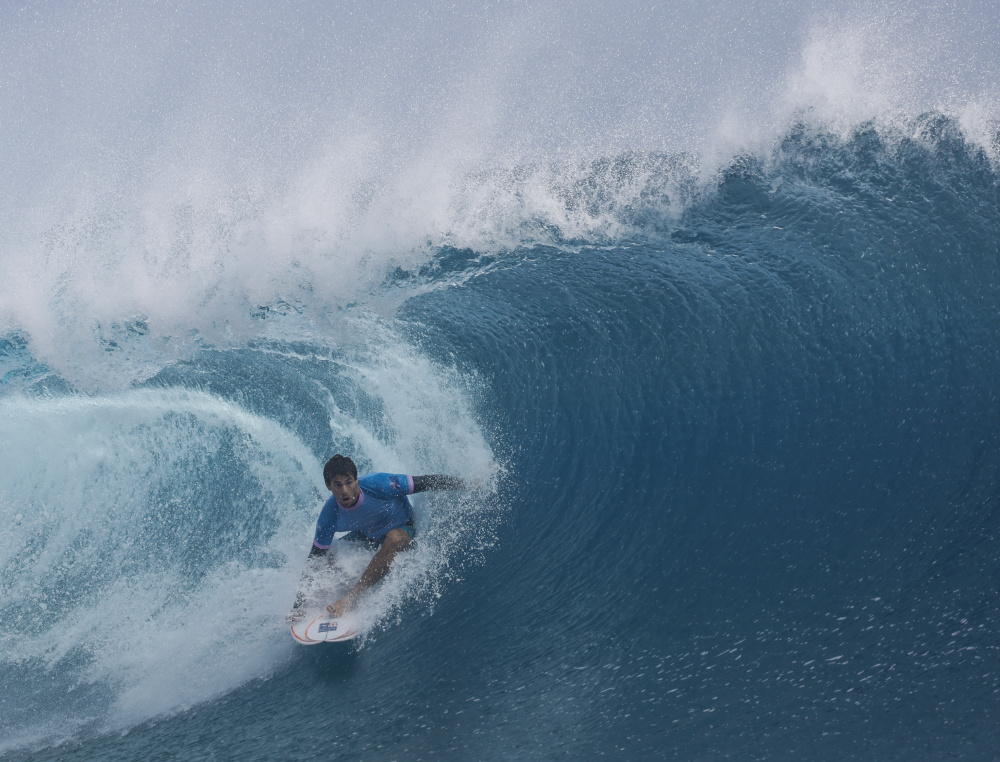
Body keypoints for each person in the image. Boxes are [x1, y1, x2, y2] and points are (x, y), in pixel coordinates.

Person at [288, 454, 467, 621]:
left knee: (394, 538)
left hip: (403, 527)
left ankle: (351, 599)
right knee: (329, 555)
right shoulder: (329, 516)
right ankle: (319, 605)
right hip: (368, 535)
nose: (344, 490)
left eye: (349, 482)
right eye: (337, 484)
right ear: (328, 486)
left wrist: (469, 484)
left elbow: (427, 482)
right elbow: (314, 560)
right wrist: (298, 605)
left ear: (356, 480)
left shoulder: (380, 484)